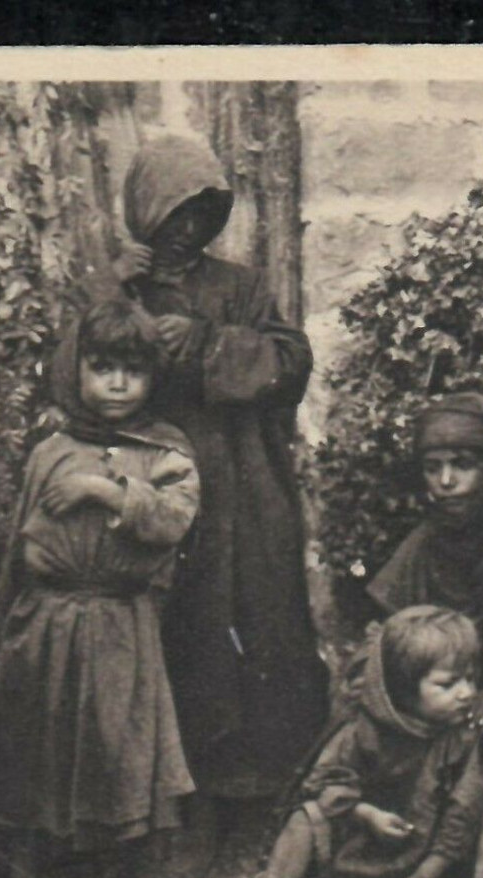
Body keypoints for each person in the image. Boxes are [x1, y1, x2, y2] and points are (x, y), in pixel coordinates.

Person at [111, 135, 328, 830]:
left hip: (247, 482)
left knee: (264, 624)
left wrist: (207, 344)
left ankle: (266, 795)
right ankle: (187, 808)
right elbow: (84, 363)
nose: (188, 229)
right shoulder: (124, 286)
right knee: (186, 631)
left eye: (201, 214)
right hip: (166, 481)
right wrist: (115, 292)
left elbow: (290, 359)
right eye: (174, 213)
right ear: (146, 213)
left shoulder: (239, 286)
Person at [0, 301, 201, 878]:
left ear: (151, 379)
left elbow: (172, 520)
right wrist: (0, 628)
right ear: (76, 370)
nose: (116, 383)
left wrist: (107, 492)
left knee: (118, 753)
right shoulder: (49, 450)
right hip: (43, 620)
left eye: (132, 369)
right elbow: (19, 544)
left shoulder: (166, 452)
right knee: (31, 751)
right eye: (102, 367)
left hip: (118, 622)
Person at [211, 606, 483, 878]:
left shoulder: (465, 736)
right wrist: (367, 814)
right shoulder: (365, 729)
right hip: (358, 844)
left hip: (417, 861)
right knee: (305, 820)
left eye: (470, 678)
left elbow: (461, 820)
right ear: (403, 690)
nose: (466, 692)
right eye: (447, 684)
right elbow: (324, 783)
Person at [366, 392, 483, 734]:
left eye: (463, 464)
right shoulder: (425, 540)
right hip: (437, 698)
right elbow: (386, 628)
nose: (446, 481)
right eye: (433, 467)